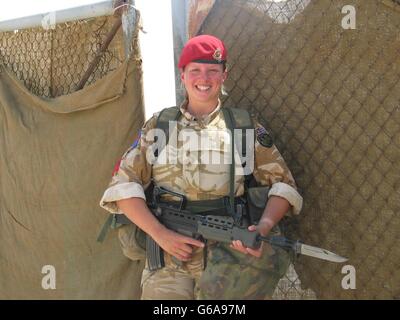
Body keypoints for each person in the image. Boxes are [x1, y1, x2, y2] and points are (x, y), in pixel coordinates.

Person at [100, 34, 303, 299]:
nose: (203, 79)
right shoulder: (160, 126)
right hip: (168, 260)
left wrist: (263, 226)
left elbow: (283, 186)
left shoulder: (243, 127)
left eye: (212, 71)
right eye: (194, 70)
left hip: (231, 261)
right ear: (182, 75)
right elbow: (123, 188)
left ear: (224, 75)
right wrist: (160, 234)